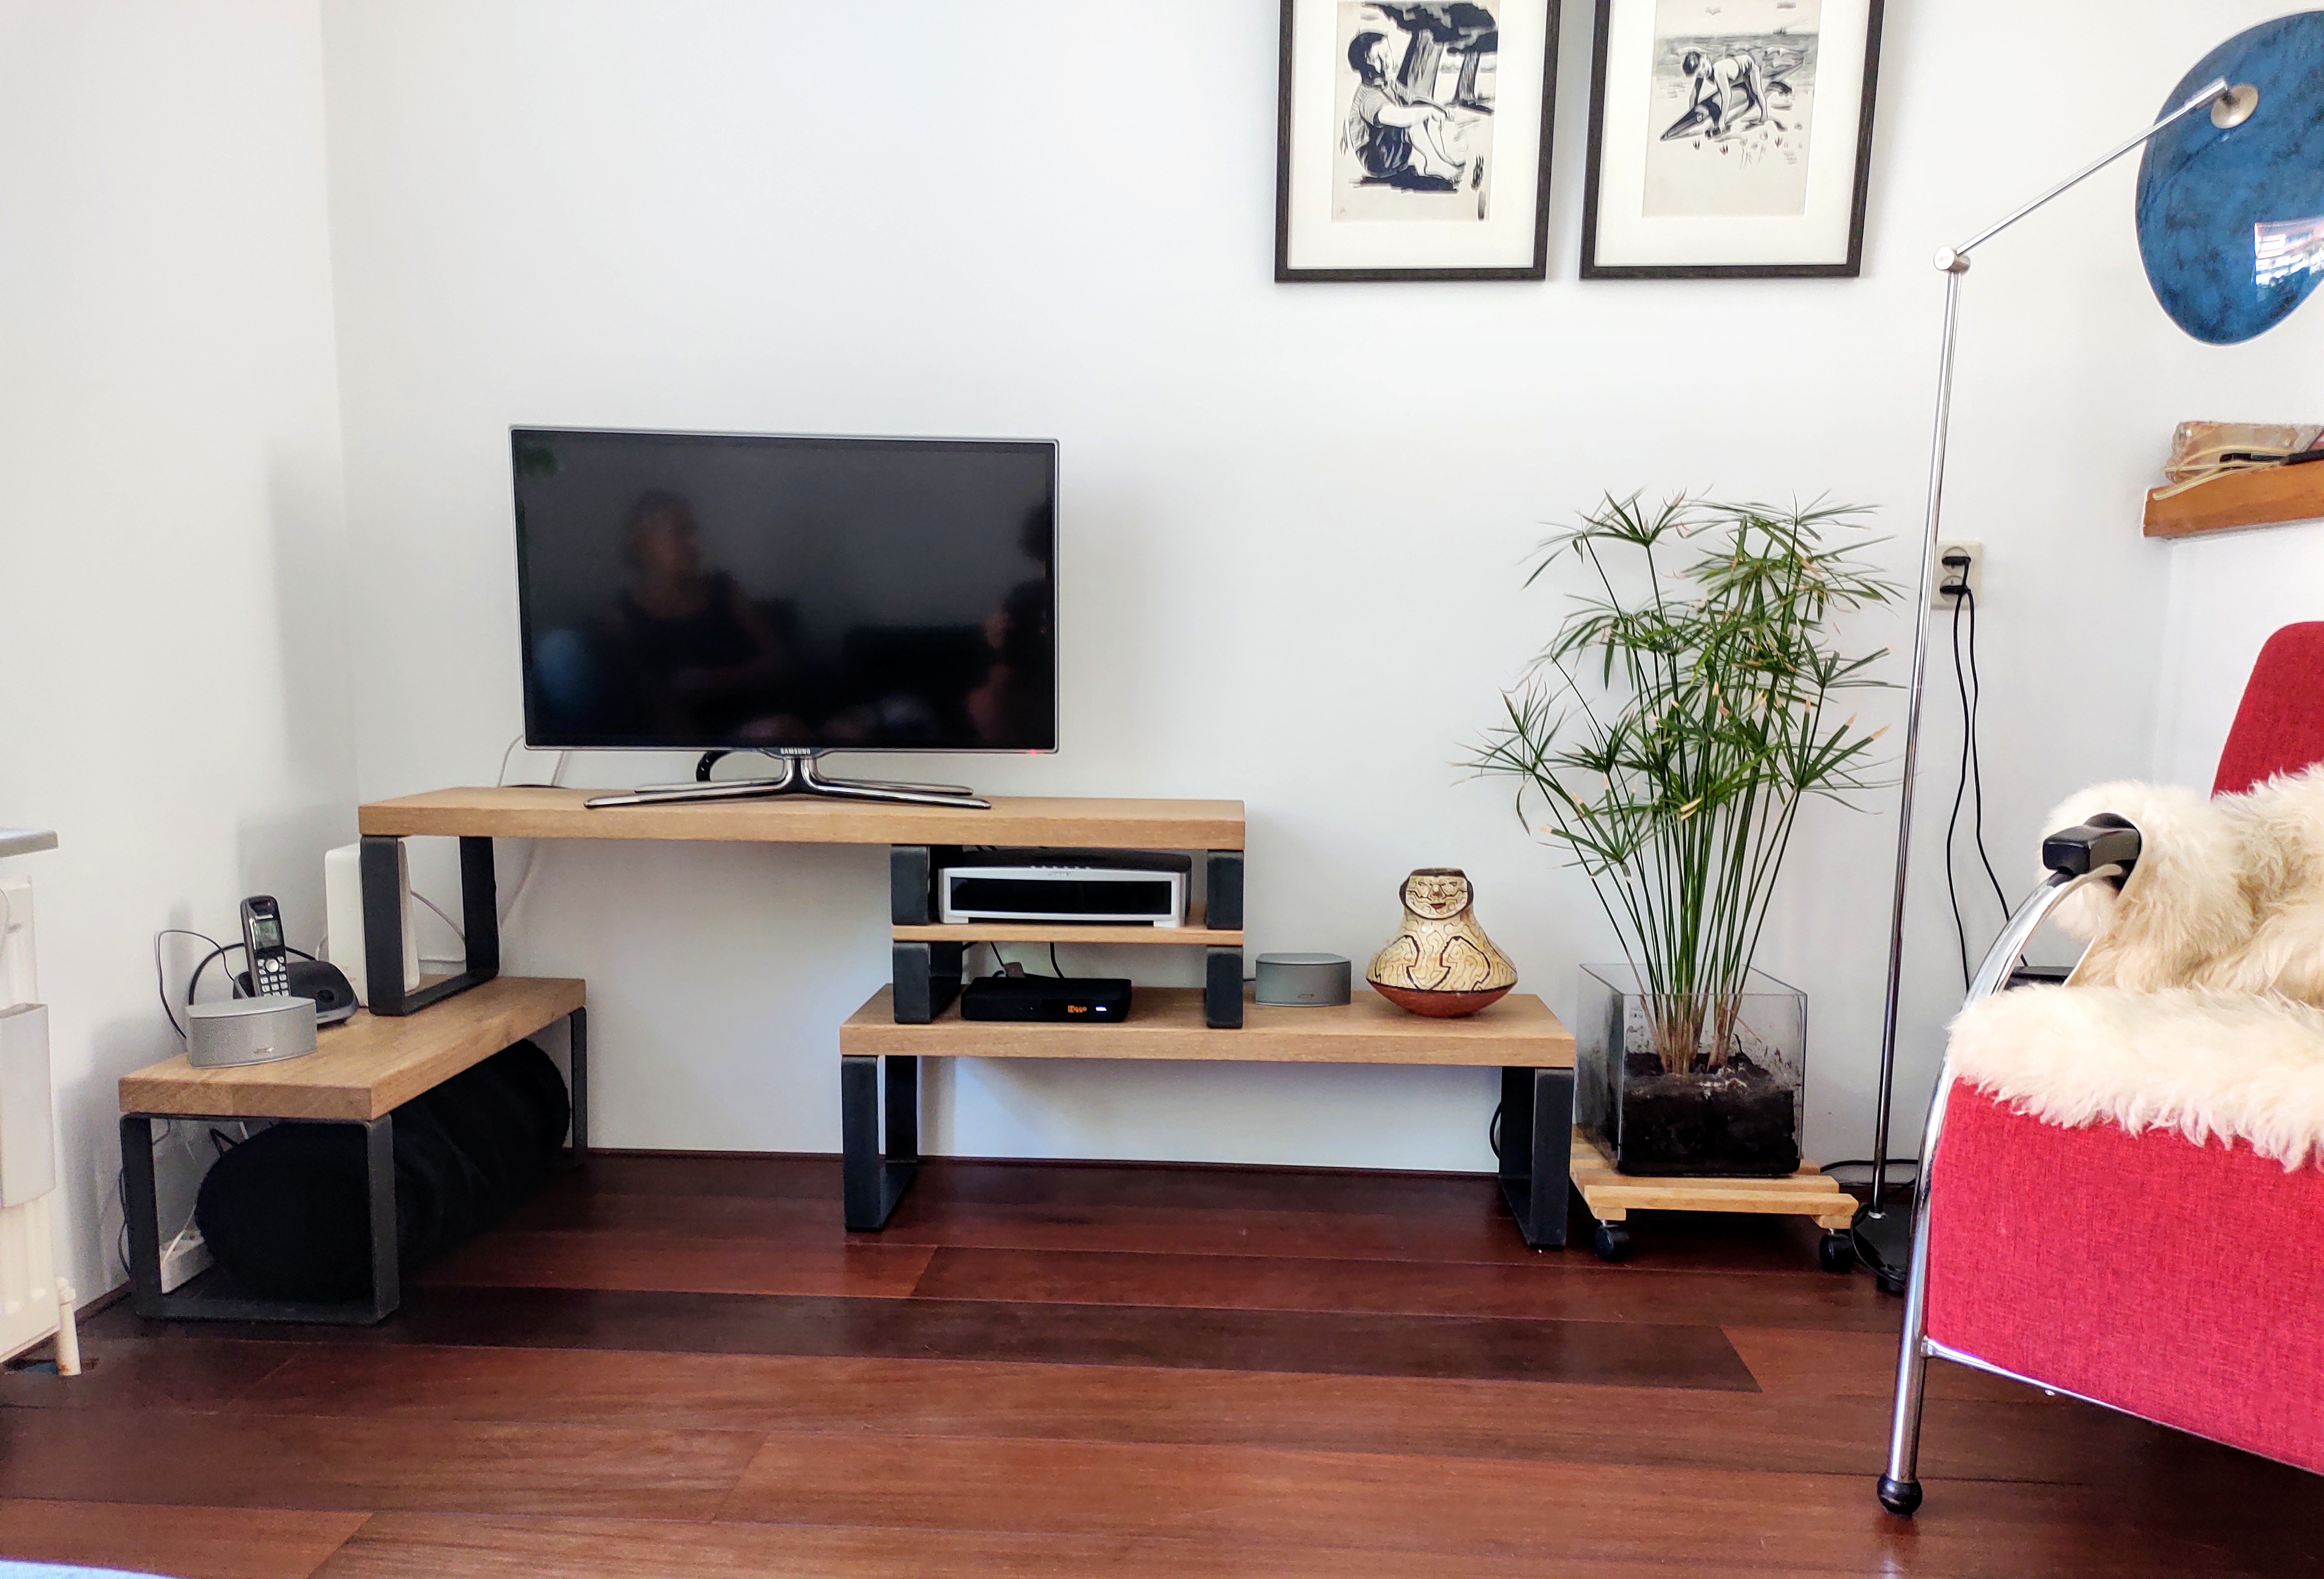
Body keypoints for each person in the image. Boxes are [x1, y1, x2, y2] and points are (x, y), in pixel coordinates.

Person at [600, 489, 799, 738]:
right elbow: (648, 705)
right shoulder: (623, 617)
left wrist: (715, 681)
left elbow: (779, 662)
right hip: (711, 744)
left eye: (693, 531)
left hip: (777, 716)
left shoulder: (723, 589)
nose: (694, 544)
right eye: (679, 533)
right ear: (643, 543)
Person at [1343, 30, 1482, 191]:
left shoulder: (1389, 84)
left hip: (1392, 152)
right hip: (1376, 159)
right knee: (1412, 121)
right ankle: (1436, 165)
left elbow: (1413, 99)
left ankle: (1443, 160)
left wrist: (1437, 108)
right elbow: (1395, 116)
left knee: (1423, 113)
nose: (1387, 62)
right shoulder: (1368, 97)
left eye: (1387, 55)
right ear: (1364, 65)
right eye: (1378, 59)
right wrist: (1427, 111)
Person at [1678, 46, 1770, 138]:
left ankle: (1764, 115)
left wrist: (1722, 120)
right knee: (1744, 88)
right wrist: (1691, 114)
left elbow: (1727, 97)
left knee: (1755, 93)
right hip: (1737, 73)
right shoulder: (1702, 73)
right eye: (1698, 73)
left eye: (1703, 65)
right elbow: (1694, 94)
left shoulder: (1718, 72)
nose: (1704, 71)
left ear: (1705, 58)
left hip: (1750, 68)